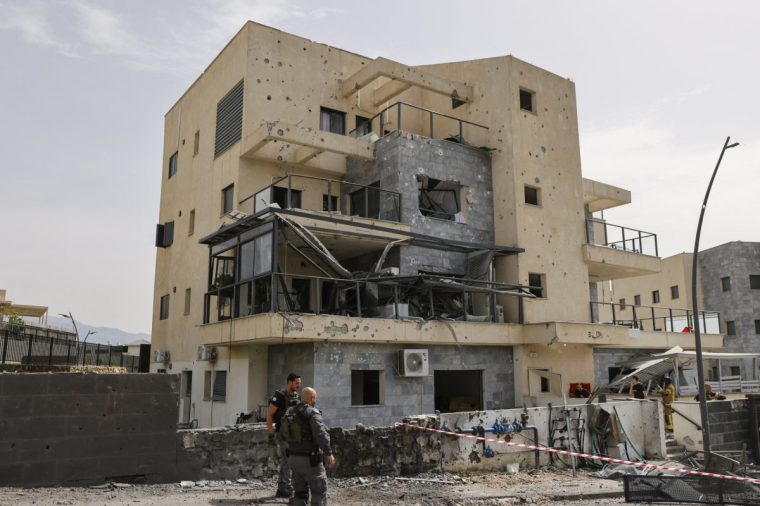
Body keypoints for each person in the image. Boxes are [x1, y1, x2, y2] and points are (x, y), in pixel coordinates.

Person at [286, 387, 335, 506]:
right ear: (312, 398)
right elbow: (320, 435)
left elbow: (283, 434)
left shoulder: (290, 411)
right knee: (319, 492)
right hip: (310, 460)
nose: (315, 400)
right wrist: (329, 453)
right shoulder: (313, 413)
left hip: (292, 458)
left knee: (299, 493)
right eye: (315, 398)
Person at [267, 372, 301, 499]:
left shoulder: (296, 396)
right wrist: (270, 432)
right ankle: (287, 488)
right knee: (288, 461)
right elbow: (269, 414)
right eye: (297, 383)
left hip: (293, 435)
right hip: (282, 433)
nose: (298, 385)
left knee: (286, 461)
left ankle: (281, 488)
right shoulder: (279, 396)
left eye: (299, 383)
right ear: (290, 382)